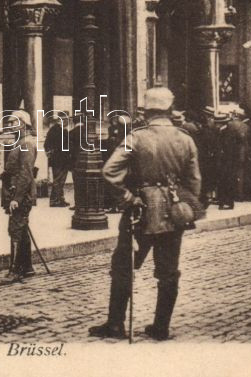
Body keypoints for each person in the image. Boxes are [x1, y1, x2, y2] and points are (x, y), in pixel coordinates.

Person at [88, 87, 201, 341]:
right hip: (173, 212)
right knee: (169, 271)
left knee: (124, 266)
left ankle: (116, 325)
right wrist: (184, 208)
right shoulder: (185, 139)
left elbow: (109, 172)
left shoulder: (136, 137)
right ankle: (161, 327)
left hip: (140, 212)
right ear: (170, 110)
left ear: (146, 112)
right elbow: (194, 182)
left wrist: (128, 198)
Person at [0, 109, 38, 285]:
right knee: (21, 228)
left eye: (13, 122)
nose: (10, 125)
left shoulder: (26, 143)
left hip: (20, 193)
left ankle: (15, 270)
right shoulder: (20, 142)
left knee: (15, 228)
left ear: (23, 123)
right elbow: (17, 168)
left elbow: (26, 173)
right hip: (15, 190)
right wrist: (5, 173)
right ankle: (27, 267)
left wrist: (17, 198)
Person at [44, 112, 71, 207]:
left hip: (55, 160)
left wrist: (50, 154)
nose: (68, 122)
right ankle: (55, 200)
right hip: (61, 160)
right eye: (67, 120)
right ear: (62, 120)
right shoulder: (62, 132)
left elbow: (46, 145)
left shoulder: (52, 130)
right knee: (59, 180)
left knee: (58, 180)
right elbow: (66, 147)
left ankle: (60, 199)